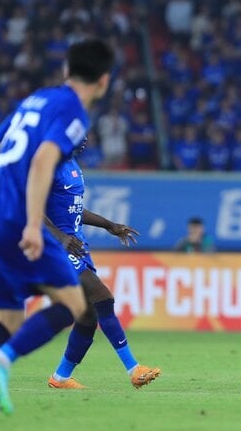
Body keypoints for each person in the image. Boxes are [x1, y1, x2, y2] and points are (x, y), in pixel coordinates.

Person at [0, 38, 114, 428]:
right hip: (14, 223)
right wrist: (32, 223)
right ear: (103, 81)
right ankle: (0, 363)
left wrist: (2, 194)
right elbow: (42, 162)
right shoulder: (73, 110)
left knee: (10, 320)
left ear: (66, 71)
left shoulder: (36, 100)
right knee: (74, 305)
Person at [43, 152, 161, 389]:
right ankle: (133, 369)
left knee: (88, 317)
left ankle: (60, 377)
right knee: (103, 297)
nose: (84, 138)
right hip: (55, 247)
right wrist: (61, 237)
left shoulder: (73, 165)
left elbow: (74, 210)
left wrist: (110, 225)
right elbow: (31, 210)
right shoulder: (47, 164)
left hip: (76, 246)